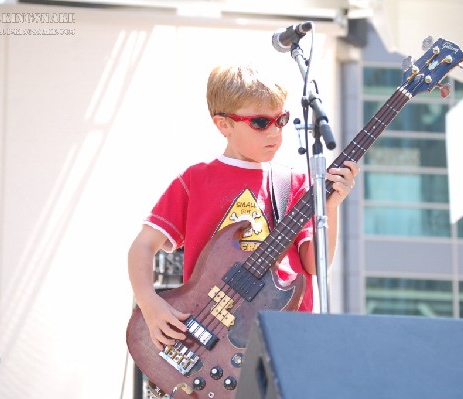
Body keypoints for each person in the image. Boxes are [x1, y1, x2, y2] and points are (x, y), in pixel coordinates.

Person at [128, 63, 359, 351]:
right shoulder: (195, 180)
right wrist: (150, 304)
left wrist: (332, 207)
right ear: (223, 124)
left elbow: (314, 263)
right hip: (213, 342)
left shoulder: (297, 182)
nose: (274, 132)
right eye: (261, 123)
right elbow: (143, 245)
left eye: (281, 120)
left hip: (286, 336)